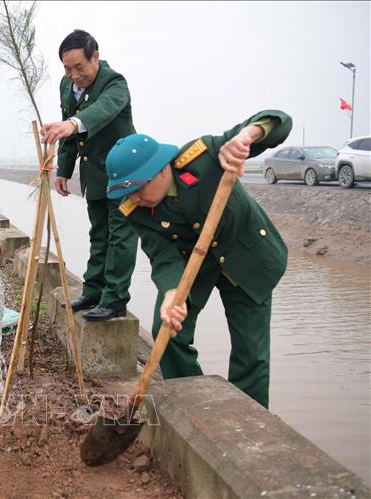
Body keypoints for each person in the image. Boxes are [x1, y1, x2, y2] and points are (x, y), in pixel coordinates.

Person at [104, 110, 293, 408]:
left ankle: (248, 417)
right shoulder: (134, 210)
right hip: (194, 265)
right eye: (127, 193)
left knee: (251, 352)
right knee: (167, 330)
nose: (135, 198)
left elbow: (280, 122)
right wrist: (170, 294)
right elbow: (162, 254)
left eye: (138, 189)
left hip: (247, 256)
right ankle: (193, 403)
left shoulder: (204, 158)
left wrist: (248, 135)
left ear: (161, 170)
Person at [41, 29, 138, 321]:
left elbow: (102, 110)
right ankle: (94, 290)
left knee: (120, 236)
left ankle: (115, 298)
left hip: (125, 174)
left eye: (79, 67)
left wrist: (72, 123)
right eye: (67, 68)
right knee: (99, 233)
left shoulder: (115, 83)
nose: (73, 75)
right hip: (95, 173)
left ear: (95, 57)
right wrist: (64, 170)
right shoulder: (67, 85)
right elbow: (69, 131)